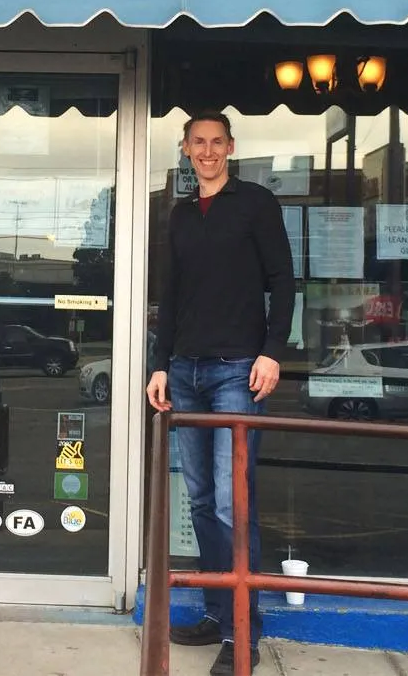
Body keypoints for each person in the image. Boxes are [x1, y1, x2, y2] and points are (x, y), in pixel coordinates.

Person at [146, 109, 294, 675]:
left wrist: (272, 352)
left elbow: (283, 280)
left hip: (238, 371)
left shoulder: (255, 203)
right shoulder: (181, 216)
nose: (207, 151)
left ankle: (242, 635)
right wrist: (161, 365)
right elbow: (171, 292)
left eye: (216, 142)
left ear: (230, 147)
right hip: (185, 371)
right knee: (203, 501)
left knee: (236, 505)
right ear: (185, 150)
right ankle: (214, 611)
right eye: (197, 143)